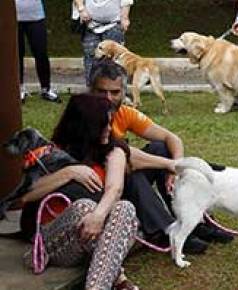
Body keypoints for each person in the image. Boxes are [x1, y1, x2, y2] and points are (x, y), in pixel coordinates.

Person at [87, 59, 233, 253]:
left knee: (160, 147)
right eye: (101, 91)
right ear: (91, 90)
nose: (108, 98)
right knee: (131, 172)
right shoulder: (84, 114)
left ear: (124, 91)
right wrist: (173, 165)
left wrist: (175, 167)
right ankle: (165, 231)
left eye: (115, 92)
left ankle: (190, 222)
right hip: (96, 190)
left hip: (117, 180)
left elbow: (170, 137)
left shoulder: (124, 112)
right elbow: (125, 156)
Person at [18, 93, 147, 289]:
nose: (109, 129)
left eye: (110, 123)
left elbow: (115, 189)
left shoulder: (114, 150)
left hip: (96, 236)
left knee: (124, 208)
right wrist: (69, 173)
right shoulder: (52, 152)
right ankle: (117, 277)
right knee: (83, 207)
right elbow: (26, 195)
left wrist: (98, 217)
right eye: (103, 124)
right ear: (84, 126)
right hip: (57, 241)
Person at [73, 0, 132, 86]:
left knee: (116, 61)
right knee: (90, 58)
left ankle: (116, 91)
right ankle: (91, 91)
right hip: (89, 25)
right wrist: (81, 9)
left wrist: (125, 17)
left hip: (114, 24)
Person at [16, 0, 60, 103]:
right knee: (17, 55)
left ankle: (46, 89)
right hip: (14, 16)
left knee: (41, 53)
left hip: (36, 17)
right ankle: (19, 88)